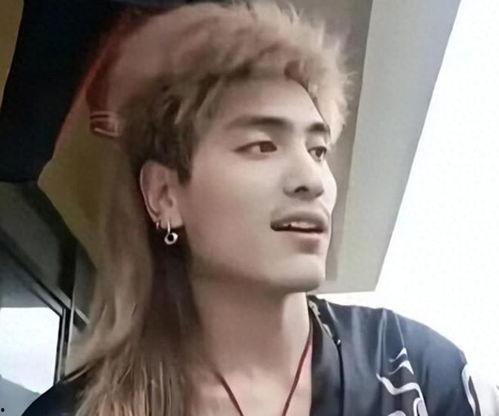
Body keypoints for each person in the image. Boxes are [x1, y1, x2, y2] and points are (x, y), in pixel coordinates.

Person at [23, 1, 487, 415]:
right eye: (263, 146)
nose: (312, 181)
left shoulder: (418, 375)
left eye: (318, 150)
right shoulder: (76, 410)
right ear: (165, 195)